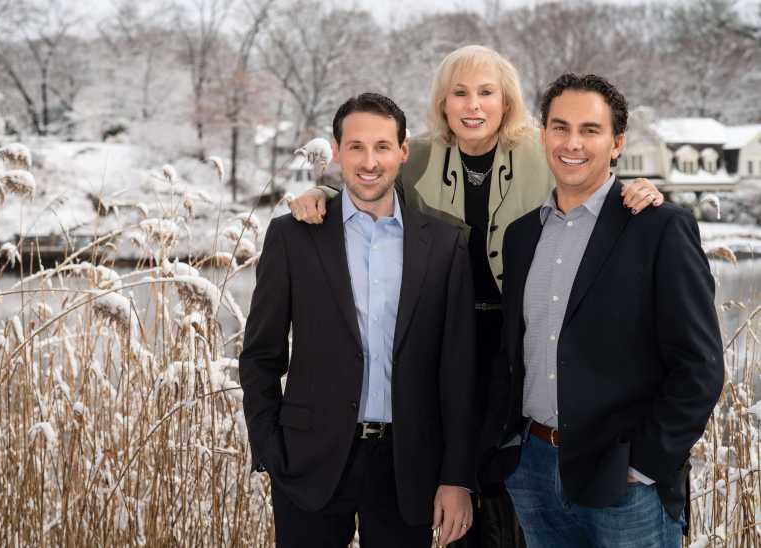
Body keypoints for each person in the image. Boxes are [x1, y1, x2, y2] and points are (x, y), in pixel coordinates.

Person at [288, 45, 664, 547]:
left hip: (516, 345)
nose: (473, 105)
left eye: (486, 92)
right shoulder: (418, 154)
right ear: (442, 103)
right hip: (439, 344)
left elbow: (589, 175)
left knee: (510, 489)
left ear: (506, 101)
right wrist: (325, 195)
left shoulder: (544, 151)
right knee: (447, 482)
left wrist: (637, 189)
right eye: (459, 93)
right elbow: (370, 184)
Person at [485, 72, 724, 548]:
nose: (572, 143)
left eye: (590, 130)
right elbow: (513, 351)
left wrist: (644, 465)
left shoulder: (659, 228)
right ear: (544, 136)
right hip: (533, 468)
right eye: (560, 127)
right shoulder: (521, 236)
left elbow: (700, 366)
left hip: (623, 481)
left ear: (617, 143)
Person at [240, 92, 478, 548]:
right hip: (308, 460)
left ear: (403, 151)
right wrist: (270, 447)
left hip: (407, 465)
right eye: (356, 147)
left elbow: (459, 371)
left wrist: (456, 477)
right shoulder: (292, 237)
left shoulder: (444, 245)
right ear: (337, 152)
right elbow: (260, 355)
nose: (370, 162)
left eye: (382, 147)